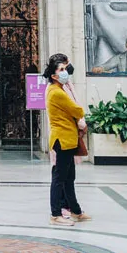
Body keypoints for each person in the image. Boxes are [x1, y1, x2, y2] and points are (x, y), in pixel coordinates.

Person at [43, 53, 90, 226]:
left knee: (69, 177)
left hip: (68, 139)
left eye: (65, 68)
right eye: (61, 70)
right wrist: (78, 113)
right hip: (62, 139)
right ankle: (56, 214)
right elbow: (77, 110)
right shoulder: (57, 93)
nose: (65, 72)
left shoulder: (59, 89)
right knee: (59, 178)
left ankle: (75, 210)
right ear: (54, 75)